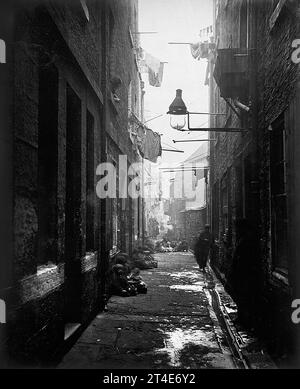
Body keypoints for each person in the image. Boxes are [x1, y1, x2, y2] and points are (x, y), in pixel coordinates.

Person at [229, 218, 260, 328]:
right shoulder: (243, 239)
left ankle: (245, 319)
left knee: (243, 295)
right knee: (239, 294)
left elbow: (244, 259)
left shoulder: (247, 240)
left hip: (244, 273)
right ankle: (242, 316)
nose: (237, 230)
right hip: (240, 272)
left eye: (238, 228)